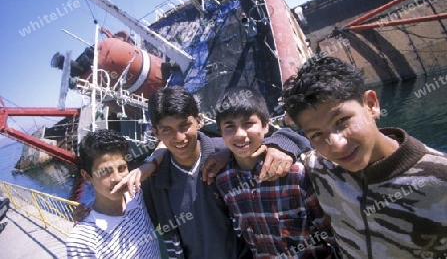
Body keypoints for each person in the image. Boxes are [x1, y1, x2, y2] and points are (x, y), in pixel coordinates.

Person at [280, 56, 447, 259]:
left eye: (342, 120)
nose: (337, 144)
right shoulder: (320, 167)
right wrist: (282, 142)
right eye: (317, 134)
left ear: (371, 105)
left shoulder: (442, 178)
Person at [112, 85, 305, 259]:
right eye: (167, 130)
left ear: (199, 120)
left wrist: (284, 144)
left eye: (184, 125)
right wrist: (83, 213)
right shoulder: (153, 179)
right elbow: (127, 216)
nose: (179, 137)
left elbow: (270, 140)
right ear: (156, 133)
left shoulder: (228, 151)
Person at [214, 86, 339, 258]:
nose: (239, 134)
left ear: (266, 125)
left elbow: (333, 235)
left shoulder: (296, 174)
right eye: (229, 126)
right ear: (220, 132)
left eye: (248, 124)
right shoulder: (224, 183)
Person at [66, 129, 161, 258]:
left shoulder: (137, 196)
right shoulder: (82, 241)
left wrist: (148, 166)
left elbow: (166, 144)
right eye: (105, 171)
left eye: (121, 168)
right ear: (87, 176)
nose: (117, 178)